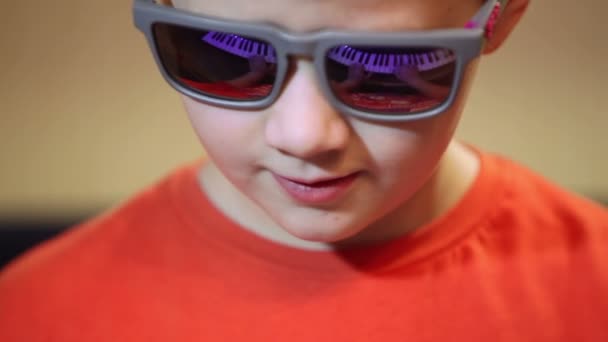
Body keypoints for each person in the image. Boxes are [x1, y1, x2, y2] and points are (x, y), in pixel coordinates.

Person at [1, 0, 607, 341]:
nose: (305, 135)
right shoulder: (37, 315)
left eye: (383, 68)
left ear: (503, 18)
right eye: (224, 54)